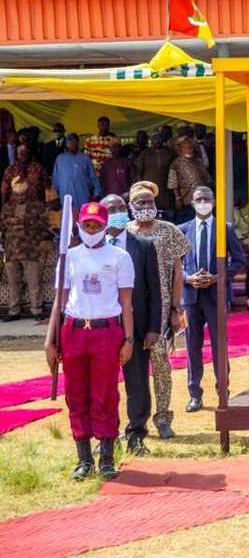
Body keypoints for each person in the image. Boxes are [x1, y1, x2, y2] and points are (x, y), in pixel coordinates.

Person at [44, 201, 135, 480]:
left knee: (105, 393)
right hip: (73, 331)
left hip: (107, 332)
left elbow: (126, 301)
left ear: (105, 226)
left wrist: (129, 339)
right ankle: (84, 459)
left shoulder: (120, 257)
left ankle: (106, 457)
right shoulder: (68, 257)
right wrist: (50, 340)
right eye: (87, 225)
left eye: (97, 225)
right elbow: (60, 301)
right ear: (79, 226)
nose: (91, 229)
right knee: (76, 394)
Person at [126, 180, 190, 439]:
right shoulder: (124, 231)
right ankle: (135, 420)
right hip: (132, 310)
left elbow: (178, 272)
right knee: (134, 369)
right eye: (140, 202)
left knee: (161, 366)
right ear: (131, 206)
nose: (146, 206)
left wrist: (176, 308)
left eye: (150, 201)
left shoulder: (169, 231)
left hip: (162, 309)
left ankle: (163, 417)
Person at [99, 194, 161, 455]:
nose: (117, 212)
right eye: (110, 209)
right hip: (102, 326)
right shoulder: (93, 246)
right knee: (103, 383)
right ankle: (106, 436)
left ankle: (136, 434)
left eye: (121, 207)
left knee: (137, 382)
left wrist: (153, 328)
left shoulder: (143, 246)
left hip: (136, 326)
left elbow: (154, 290)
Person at [180, 186, 247, 412]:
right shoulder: (183, 230)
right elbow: (173, 265)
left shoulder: (224, 228)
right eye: (198, 199)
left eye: (207, 199)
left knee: (220, 343)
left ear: (214, 201)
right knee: (192, 344)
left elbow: (239, 260)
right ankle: (194, 393)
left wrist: (219, 277)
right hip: (190, 295)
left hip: (216, 293)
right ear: (192, 202)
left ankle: (223, 391)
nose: (203, 202)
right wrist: (188, 279)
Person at [0, 176, 52, 320]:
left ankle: (36, 310)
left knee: (33, 281)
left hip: (30, 249)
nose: (20, 197)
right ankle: (14, 311)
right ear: (12, 192)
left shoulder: (36, 205)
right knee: (13, 283)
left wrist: (25, 223)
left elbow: (43, 225)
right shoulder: (7, 207)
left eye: (22, 194)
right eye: (17, 194)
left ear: (28, 191)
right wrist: (12, 223)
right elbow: (2, 225)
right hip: (11, 250)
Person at [168, 135, 211, 223]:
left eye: (191, 146)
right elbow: (173, 183)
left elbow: (207, 179)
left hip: (202, 197)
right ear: (181, 149)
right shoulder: (176, 163)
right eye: (186, 147)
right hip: (187, 198)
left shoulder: (198, 161)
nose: (189, 148)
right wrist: (177, 198)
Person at [132, 130, 175, 215]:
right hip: (149, 188)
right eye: (155, 138)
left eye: (159, 138)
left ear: (162, 139)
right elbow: (139, 172)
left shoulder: (170, 152)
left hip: (166, 188)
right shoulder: (144, 153)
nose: (157, 140)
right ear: (151, 140)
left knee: (167, 213)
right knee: (151, 208)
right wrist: (141, 188)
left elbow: (175, 169)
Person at [52, 133, 100, 207]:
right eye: (70, 141)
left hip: (83, 197)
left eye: (75, 141)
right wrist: (55, 197)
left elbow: (93, 176)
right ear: (66, 144)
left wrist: (96, 194)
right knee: (68, 217)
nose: (72, 144)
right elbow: (55, 179)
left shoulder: (85, 158)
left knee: (82, 217)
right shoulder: (60, 159)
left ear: (78, 143)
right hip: (65, 198)